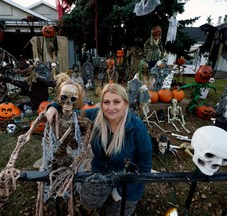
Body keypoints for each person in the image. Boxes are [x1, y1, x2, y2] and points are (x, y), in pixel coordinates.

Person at [45, 83, 152, 215]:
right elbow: (70, 113)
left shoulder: (137, 128)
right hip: (100, 174)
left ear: (125, 104)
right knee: (88, 201)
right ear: (101, 104)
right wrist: (53, 107)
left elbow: (145, 167)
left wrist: (120, 192)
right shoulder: (96, 116)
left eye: (116, 102)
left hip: (127, 182)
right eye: (106, 102)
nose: (111, 108)